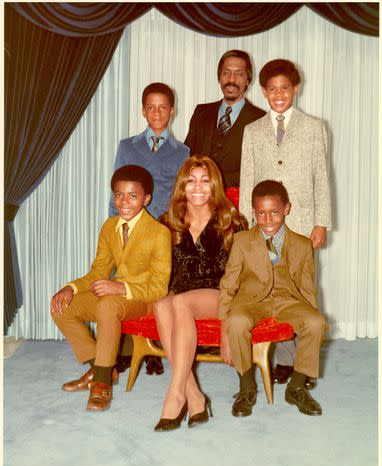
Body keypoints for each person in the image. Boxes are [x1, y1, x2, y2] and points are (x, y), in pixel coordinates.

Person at [239, 59, 331, 386]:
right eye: (272, 89)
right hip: (264, 224)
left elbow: (321, 176)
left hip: (302, 223)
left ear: (295, 89)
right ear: (263, 91)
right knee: (271, 290)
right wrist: (246, 225)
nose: (279, 94)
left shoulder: (314, 127)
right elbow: (248, 178)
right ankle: (284, 360)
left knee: (302, 292)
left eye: (285, 88)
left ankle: (303, 367)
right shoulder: (253, 131)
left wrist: (321, 222)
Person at [51, 165, 172, 412]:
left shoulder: (159, 233)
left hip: (143, 299)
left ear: (146, 199)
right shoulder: (109, 227)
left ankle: (101, 384)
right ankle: (101, 367)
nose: (124, 202)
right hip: (115, 300)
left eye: (132, 196)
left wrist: (121, 288)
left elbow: (159, 287)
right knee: (61, 307)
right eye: (118, 195)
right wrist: (70, 288)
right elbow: (98, 273)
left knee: (107, 304)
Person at [153, 155, 248, 431]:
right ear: (182, 186)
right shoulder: (169, 223)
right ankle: (195, 396)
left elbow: (241, 279)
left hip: (220, 296)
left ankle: (175, 395)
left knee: (180, 302)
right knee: (162, 305)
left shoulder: (233, 222)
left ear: (215, 185)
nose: (198, 187)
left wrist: (228, 327)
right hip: (183, 295)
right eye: (191, 181)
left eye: (205, 181)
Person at [219, 180, 328, 417]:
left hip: (287, 300)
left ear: (287, 208)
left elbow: (308, 288)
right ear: (253, 211)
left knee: (316, 322)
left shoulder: (302, 244)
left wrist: (309, 320)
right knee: (236, 322)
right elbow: (228, 285)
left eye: (275, 212)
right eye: (261, 213)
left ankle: (297, 387)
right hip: (251, 302)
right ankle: (246, 387)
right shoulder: (242, 241)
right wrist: (223, 329)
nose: (268, 220)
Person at [109, 82, 189, 376]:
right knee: (125, 285)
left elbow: (181, 197)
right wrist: (114, 228)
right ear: (143, 111)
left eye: (163, 107)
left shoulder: (182, 152)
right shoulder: (127, 146)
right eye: (151, 107)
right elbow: (115, 191)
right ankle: (125, 351)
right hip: (130, 226)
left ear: (172, 111)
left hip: (164, 230)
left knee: (158, 287)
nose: (157, 112)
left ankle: (154, 350)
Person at [185, 50, 265, 188]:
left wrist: (213, 180)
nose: (231, 79)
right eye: (226, 72)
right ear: (219, 77)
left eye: (239, 73)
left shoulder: (261, 119)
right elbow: (187, 157)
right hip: (198, 200)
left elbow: (258, 171)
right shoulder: (201, 113)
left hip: (237, 204)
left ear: (247, 80)